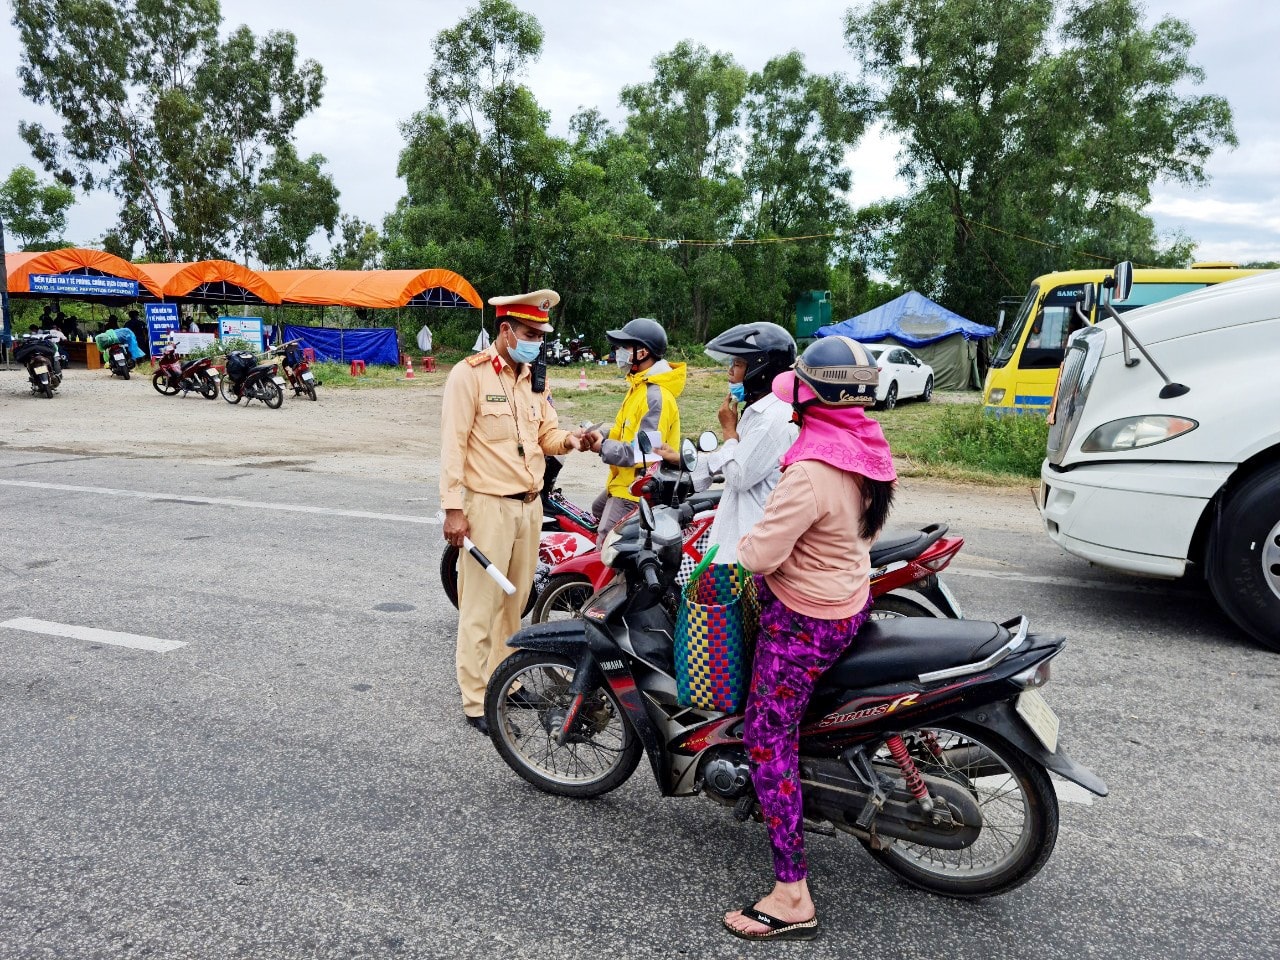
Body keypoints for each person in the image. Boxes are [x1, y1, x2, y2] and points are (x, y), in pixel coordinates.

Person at [723, 335, 897, 942]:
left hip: (805, 618)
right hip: (849, 598)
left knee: (765, 735)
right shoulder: (865, 448)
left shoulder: (811, 471)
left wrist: (743, 548)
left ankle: (792, 892)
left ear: (810, 401)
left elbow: (760, 554)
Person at [440, 289, 587, 736]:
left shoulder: (532, 379)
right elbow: (453, 446)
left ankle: (508, 679)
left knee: (514, 603)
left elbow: (545, 435)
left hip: (529, 506)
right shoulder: (470, 376)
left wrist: (572, 439)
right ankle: (474, 700)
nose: (537, 342)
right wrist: (452, 509)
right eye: (529, 333)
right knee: (480, 607)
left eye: (541, 335)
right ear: (505, 330)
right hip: (487, 508)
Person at [688, 322, 798, 564]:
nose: (730, 372)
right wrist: (686, 461)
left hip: (750, 544)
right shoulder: (757, 411)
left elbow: (738, 475)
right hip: (742, 536)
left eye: (737, 364)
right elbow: (737, 456)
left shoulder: (771, 419)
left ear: (761, 370)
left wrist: (728, 430)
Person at [583, 318, 686, 543]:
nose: (619, 352)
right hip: (623, 482)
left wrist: (603, 447)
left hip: (637, 488)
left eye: (625, 347)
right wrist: (603, 436)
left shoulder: (654, 396)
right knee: (596, 509)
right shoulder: (639, 387)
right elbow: (628, 433)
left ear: (642, 352)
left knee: (607, 542)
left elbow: (645, 452)